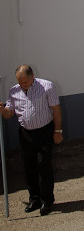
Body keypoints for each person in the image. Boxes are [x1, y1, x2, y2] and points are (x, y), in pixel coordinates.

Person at [0, 65, 63, 215]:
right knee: (29, 167)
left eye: (25, 82)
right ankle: (34, 199)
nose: (23, 85)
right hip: (26, 134)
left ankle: (47, 201)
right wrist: (3, 111)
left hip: (44, 132)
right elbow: (9, 114)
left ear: (32, 76)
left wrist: (58, 130)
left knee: (44, 165)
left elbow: (56, 109)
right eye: (20, 82)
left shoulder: (47, 86)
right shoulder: (14, 91)